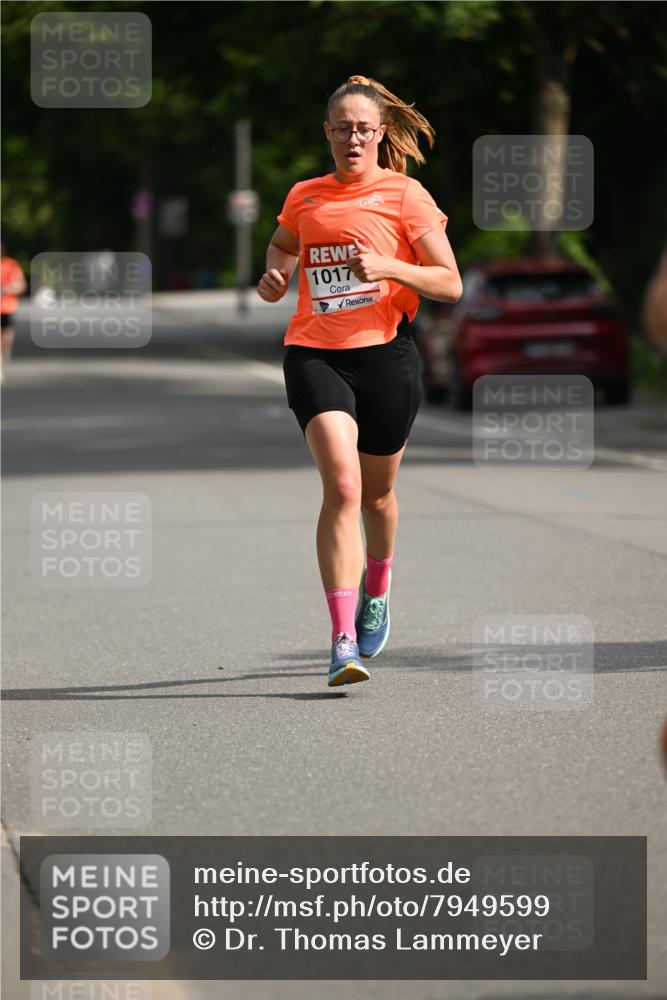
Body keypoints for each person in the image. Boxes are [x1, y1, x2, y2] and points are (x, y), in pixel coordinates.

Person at [257, 74, 462, 688]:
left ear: (380, 133)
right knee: (343, 488)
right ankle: (342, 640)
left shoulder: (405, 195)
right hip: (314, 354)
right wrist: (275, 275)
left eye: (363, 129)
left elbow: (450, 283)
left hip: (386, 358)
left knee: (376, 496)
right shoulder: (305, 196)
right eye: (342, 128)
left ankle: (379, 581)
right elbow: (281, 247)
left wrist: (390, 266)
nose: (353, 138)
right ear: (327, 132)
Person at [0, 243, 27, 384]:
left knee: (6, 339)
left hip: (6, 307)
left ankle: (4, 357)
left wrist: (6, 289)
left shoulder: (10, 265)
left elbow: (21, 285)